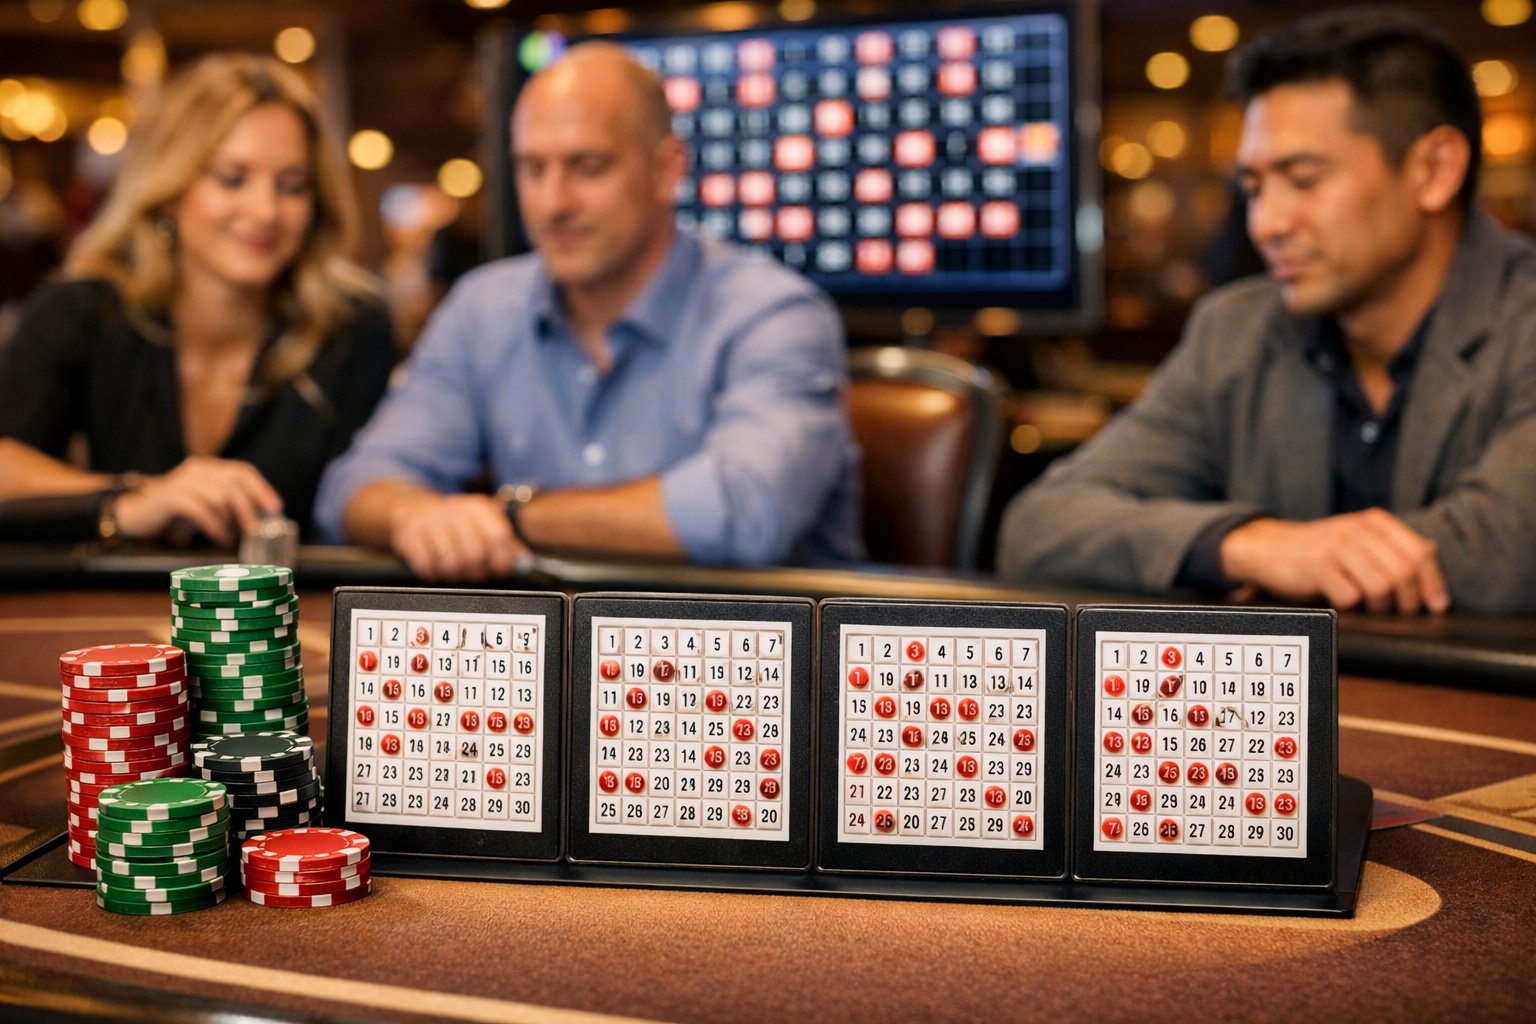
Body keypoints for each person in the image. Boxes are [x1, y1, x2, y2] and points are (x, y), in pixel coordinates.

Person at [998, 7, 1536, 615]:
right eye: (1253, 188)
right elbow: (1040, 527)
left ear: (1434, 170)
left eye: (1303, 180)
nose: (1266, 224)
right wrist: (1252, 544)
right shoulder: (1235, 330)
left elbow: (1510, 558)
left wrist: (1311, 560)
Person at [315, 43, 862, 580]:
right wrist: (417, 515)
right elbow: (354, 486)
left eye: (588, 166)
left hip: (758, 656)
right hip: (563, 661)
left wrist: (511, 518)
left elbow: (746, 509)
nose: (554, 203)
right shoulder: (482, 309)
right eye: (533, 169)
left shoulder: (772, 311)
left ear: (667, 169)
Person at [0, 54, 394, 546]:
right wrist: (132, 500)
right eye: (232, 178)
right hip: (113, 612)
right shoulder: (81, 310)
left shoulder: (353, 327)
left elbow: (373, 491)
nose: (266, 210)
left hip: (287, 617)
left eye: (292, 187)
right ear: (169, 187)